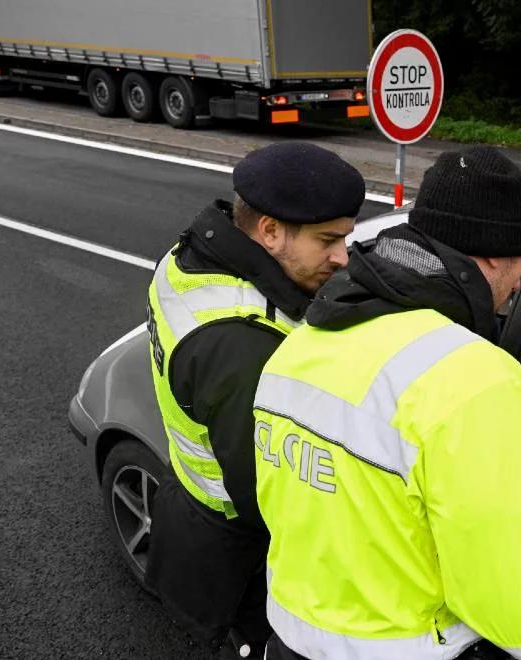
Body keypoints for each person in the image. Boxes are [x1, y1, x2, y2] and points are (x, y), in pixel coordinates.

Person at [253, 146, 521, 660]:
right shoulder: (474, 380)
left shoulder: (299, 345)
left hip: (287, 644)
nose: (519, 282)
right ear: (496, 254)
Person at [144, 142, 365, 657]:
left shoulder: (189, 257)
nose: (342, 257)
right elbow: (270, 496)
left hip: (192, 500)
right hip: (239, 549)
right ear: (268, 231)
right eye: (328, 240)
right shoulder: (244, 347)